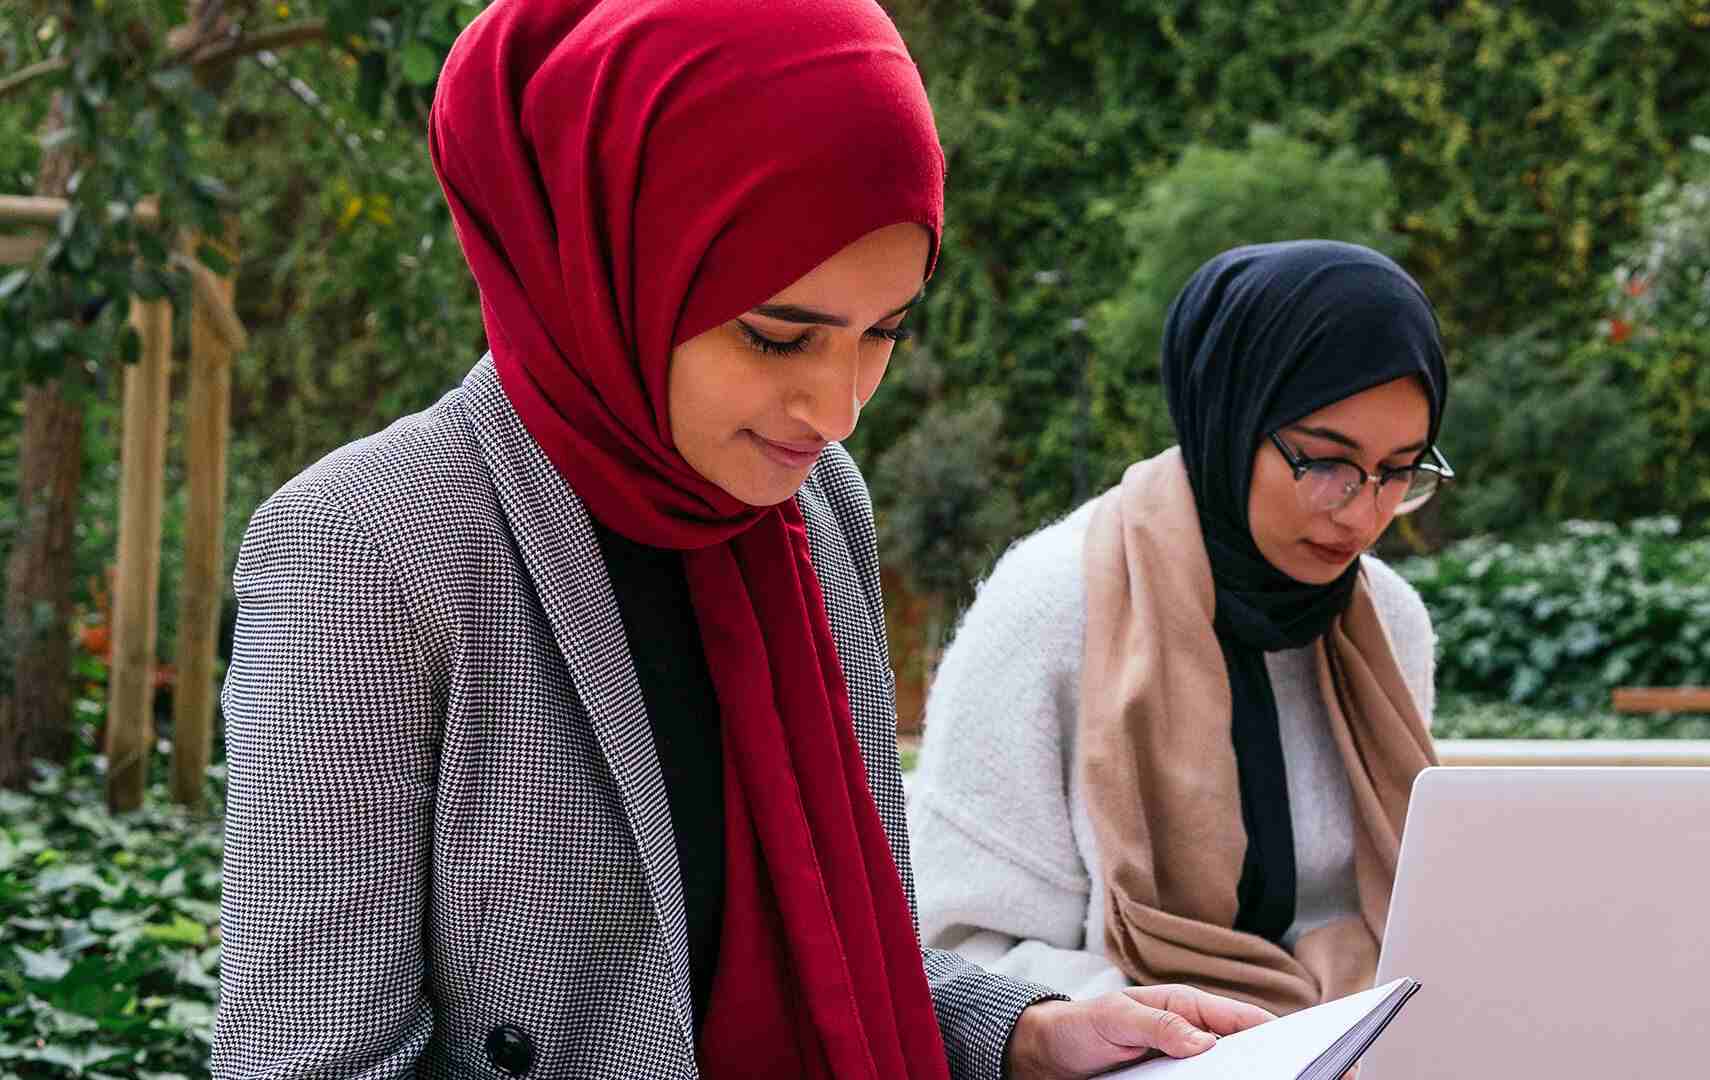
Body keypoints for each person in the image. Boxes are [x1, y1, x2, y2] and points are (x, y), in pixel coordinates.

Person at [209, 2, 1267, 1077]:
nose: (838, 406)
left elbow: (828, 955)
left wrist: (1027, 1035)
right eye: (776, 335)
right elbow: (311, 1060)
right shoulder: (368, 547)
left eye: (882, 333)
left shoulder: (811, 510)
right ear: (612, 265)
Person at [912, 240, 1454, 1016]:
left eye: (1399, 470)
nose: (1362, 511)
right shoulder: (1051, 607)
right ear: (1230, 418)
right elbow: (954, 949)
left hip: (1360, 1045)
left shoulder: (1388, 620)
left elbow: (1408, 917)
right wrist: (1182, 1033)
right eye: (1326, 462)